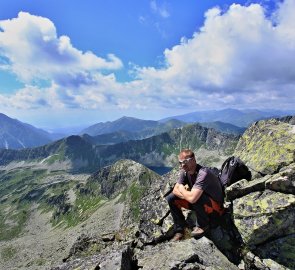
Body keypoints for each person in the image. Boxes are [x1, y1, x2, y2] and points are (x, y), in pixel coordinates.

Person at [166, 149, 224, 241]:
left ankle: (203, 225)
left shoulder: (203, 173)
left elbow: (190, 197)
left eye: (185, 162)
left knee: (196, 197)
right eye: (180, 162)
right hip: (200, 203)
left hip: (216, 208)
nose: (182, 165)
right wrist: (187, 195)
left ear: (193, 160)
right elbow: (175, 191)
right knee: (171, 198)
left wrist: (182, 190)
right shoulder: (185, 172)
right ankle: (180, 230)